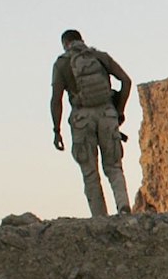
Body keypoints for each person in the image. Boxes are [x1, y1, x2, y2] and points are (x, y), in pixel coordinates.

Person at [50, 29, 133, 217]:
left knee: (90, 173)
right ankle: (123, 206)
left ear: (65, 44)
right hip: (107, 115)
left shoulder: (62, 64)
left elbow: (56, 100)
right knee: (114, 166)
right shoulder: (100, 57)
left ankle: (99, 217)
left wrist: (57, 130)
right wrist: (119, 111)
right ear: (81, 40)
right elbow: (126, 81)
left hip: (82, 119)